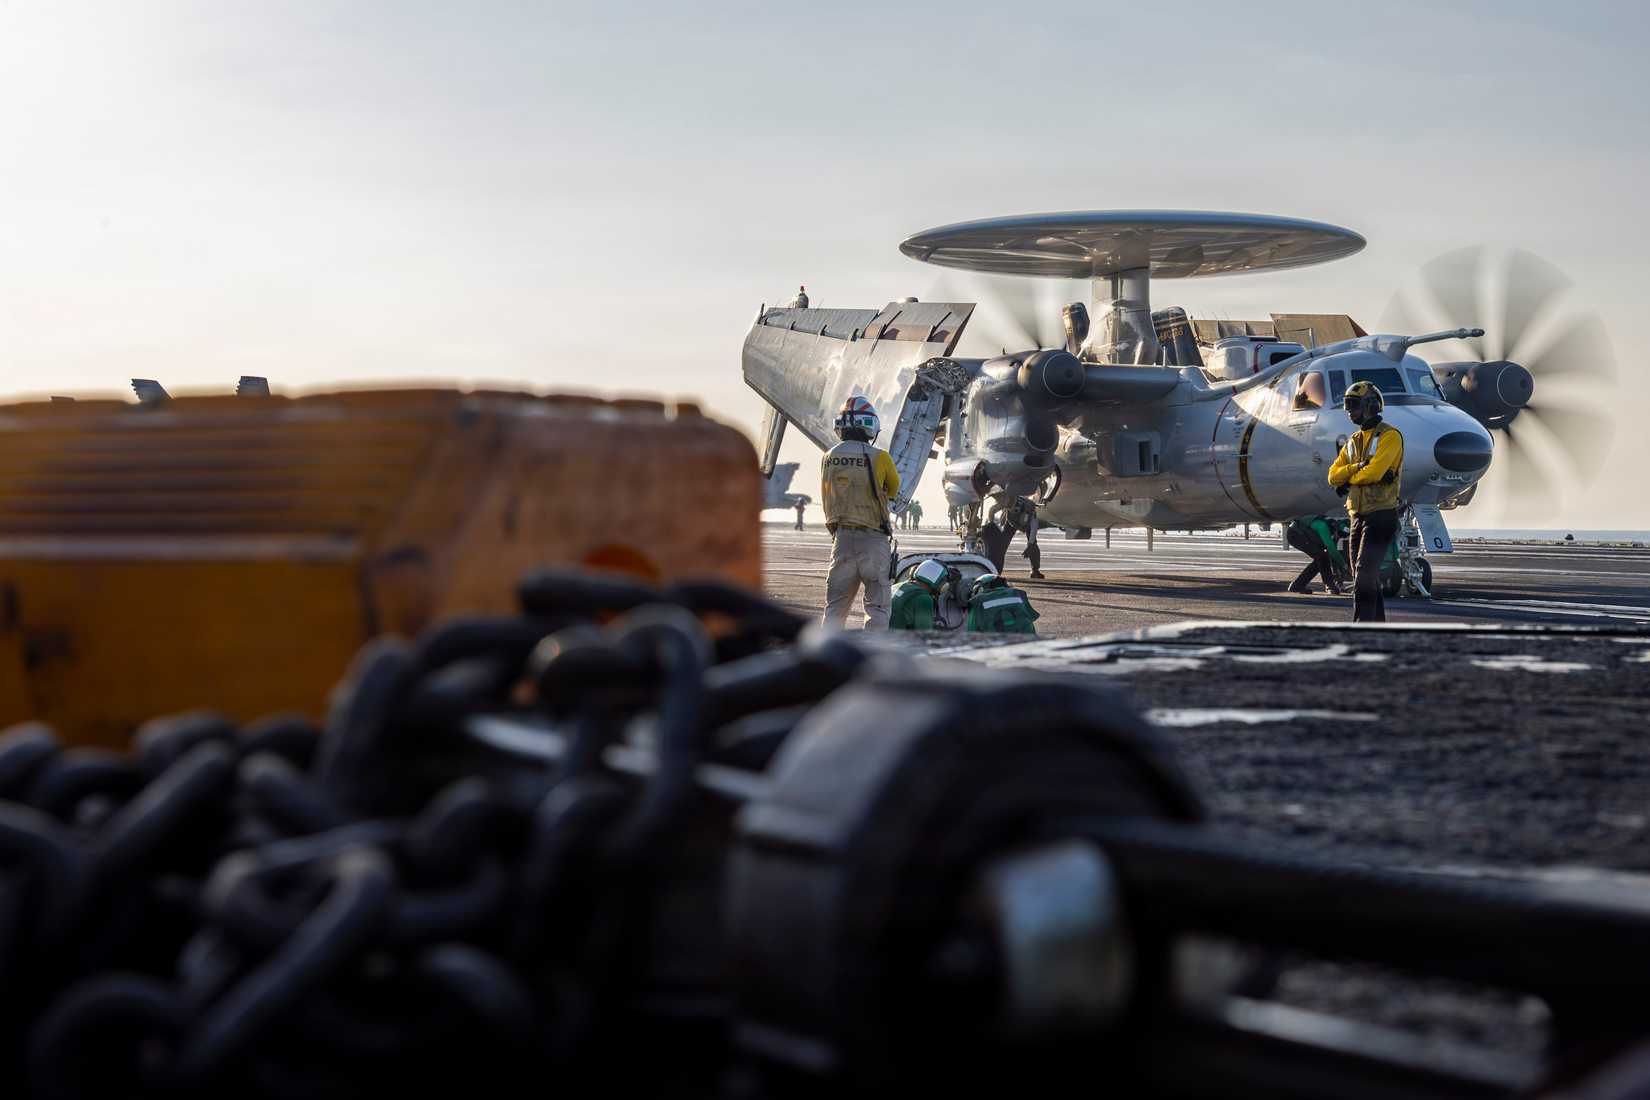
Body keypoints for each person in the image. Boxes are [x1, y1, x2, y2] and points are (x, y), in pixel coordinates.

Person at [820, 395, 900, 630]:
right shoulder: (880, 457)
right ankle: (874, 659)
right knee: (877, 607)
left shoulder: (829, 456)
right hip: (873, 540)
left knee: (835, 608)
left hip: (841, 540)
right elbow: (894, 488)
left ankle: (827, 659)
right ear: (868, 425)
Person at [1328, 380, 1404, 622]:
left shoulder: (1390, 436)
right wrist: (1356, 467)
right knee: (1362, 575)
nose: (1349, 412)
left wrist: (1349, 480)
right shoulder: (1353, 441)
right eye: (1348, 406)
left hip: (1381, 515)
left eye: (1354, 406)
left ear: (1371, 406)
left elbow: (1375, 473)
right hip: (1357, 515)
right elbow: (1332, 475)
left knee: (1363, 574)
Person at [1285, 514, 1347, 595]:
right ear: (1336, 529)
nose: (1338, 537)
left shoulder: (1333, 528)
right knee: (1321, 557)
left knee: (1321, 559)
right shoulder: (1323, 526)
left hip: (1304, 535)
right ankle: (1329, 586)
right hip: (1295, 534)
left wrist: (1340, 573)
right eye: (1339, 534)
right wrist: (1344, 565)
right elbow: (1332, 551)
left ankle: (1297, 585)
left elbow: (1332, 556)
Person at [965, 573, 1039, 634]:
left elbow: (971, 631)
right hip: (1025, 641)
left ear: (980, 588)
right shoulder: (1017, 594)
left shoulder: (978, 601)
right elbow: (1029, 624)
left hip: (995, 644)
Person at [889, 558, 947, 631]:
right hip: (897, 640)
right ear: (937, 581)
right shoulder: (924, 599)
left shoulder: (896, 586)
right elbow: (925, 632)